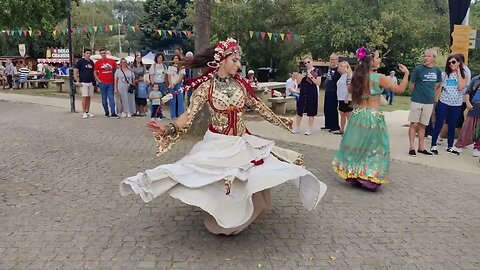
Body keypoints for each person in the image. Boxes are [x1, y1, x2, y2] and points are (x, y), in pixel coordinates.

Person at [120, 38, 327, 235]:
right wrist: (167, 128)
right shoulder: (206, 88)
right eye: (234, 60)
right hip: (218, 144)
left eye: (239, 60)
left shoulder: (241, 86)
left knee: (261, 194)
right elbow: (188, 116)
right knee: (202, 176)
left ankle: (237, 217)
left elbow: (261, 107)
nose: (238, 64)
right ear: (222, 59)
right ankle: (227, 219)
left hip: (242, 142)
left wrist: (284, 122)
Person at [332, 47, 410, 191]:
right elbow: (399, 90)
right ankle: (368, 176)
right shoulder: (379, 78)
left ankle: (355, 173)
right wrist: (406, 74)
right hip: (372, 117)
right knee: (375, 148)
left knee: (358, 146)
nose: (379, 60)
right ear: (371, 61)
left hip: (358, 116)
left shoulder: (358, 77)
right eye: (378, 57)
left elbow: (349, 91)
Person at [430, 54, 467, 155]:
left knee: (452, 125)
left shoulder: (464, 75)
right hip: (444, 102)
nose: (451, 64)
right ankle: (433, 145)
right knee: (439, 123)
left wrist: (458, 71)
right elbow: (437, 86)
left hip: (456, 104)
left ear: (459, 63)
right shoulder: (444, 74)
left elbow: (460, 87)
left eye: (453, 62)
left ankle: (450, 146)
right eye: (449, 62)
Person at [407, 48, 442, 156]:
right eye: (425, 56)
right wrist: (418, 93)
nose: (425, 58)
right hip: (417, 100)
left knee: (423, 125)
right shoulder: (418, 69)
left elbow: (437, 84)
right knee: (414, 124)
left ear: (434, 58)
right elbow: (412, 85)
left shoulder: (437, 70)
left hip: (429, 102)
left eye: (428, 56)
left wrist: (429, 92)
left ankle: (421, 147)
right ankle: (411, 147)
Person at [293, 56, 321, 135]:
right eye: (305, 63)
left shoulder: (315, 71)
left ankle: (309, 128)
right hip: (303, 92)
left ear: (311, 61)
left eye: (308, 62)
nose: (307, 64)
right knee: (300, 109)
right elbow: (297, 82)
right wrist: (300, 77)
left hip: (312, 92)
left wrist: (311, 76)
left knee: (311, 110)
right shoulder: (302, 70)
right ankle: (297, 127)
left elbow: (318, 82)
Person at [453, 74, 480, 156]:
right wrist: (468, 102)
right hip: (474, 106)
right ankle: (459, 145)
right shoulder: (475, 79)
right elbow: (468, 92)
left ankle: (478, 147)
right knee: (467, 127)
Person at [94, 48, 118, 118]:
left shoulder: (111, 61)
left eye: (104, 53)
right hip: (102, 82)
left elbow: (116, 68)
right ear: (100, 54)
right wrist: (98, 80)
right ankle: (106, 112)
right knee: (104, 99)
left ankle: (113, 112)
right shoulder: (98, 62)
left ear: (106, 54)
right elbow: (95, 72)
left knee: (111, 98)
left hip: (110, 82)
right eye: (102, 53)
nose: (103, 54)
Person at [322, 53, 341, 132]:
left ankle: (335, 126)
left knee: (333, 108)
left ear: (337, 60)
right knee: (327, 108)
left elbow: (337, 80)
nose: (332, 61)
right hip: (328, 90)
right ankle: (328, 124)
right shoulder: (329, 68)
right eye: (331, 59)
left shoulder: (338, 70)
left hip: (334, 91)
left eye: (334, 59)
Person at [74, 49, 96, 119]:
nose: (88, 54)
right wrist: (77, 80)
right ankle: (84, 112)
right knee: (84, 97)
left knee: (89, 97)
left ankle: (87, 111)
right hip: (83, 82)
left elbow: (93, 72)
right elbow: (76, 71)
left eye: (89, 53)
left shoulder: (92, 62)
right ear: (84, 54)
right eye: (87, 53)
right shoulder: (80, 61)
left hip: (90, 82)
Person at [335, 61, 353, 135]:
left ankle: (351, 131)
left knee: (348, 115)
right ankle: (341, 129)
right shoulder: (341, 76)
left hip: (347, 99)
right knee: (342, 114)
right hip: (340, 98)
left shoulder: (349, 76)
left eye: (344, 66)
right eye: (341, 66)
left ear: (347, 68)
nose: (341, 68)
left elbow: (350, 87)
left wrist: (348, 96)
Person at [166, 55, 185, 119]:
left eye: (177, 58)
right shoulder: (170, 67)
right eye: (175, 58)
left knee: (180, 99)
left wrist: (175, 83)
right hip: (171, 84)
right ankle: (172, 115)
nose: (176, 59)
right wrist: (171, 84)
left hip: (178, 84)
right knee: (172, 100)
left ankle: (181, 114)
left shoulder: (182, 67)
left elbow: (181, 76)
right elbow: (169, 76)